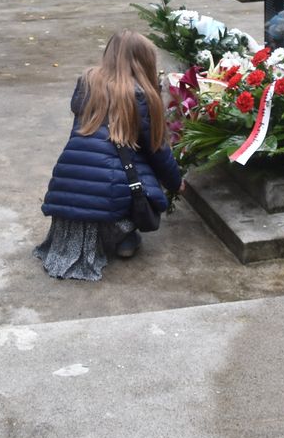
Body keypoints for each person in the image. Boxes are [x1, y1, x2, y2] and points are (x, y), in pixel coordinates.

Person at [35, 29, 183, 281]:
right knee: (143, 177)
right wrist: (176, 183)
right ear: (144, 62)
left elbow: (76, 134)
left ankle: (95, 234)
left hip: (66, 187)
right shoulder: (141, 96)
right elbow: (157, 150)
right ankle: (122, 235)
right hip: (110, 193)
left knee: (107, 165)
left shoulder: (87, 82)